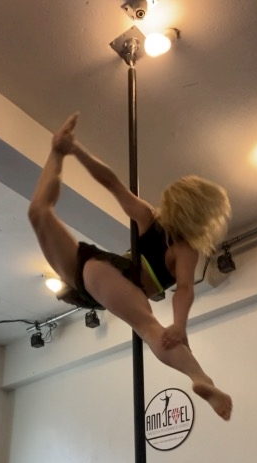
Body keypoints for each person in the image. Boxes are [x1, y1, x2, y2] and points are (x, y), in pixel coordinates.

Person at [28, 112, 233, 421]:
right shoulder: (182, 245)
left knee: (39, 212)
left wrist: (77, 151)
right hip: (101, 278)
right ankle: (201, 378)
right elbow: (184, 290)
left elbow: (112, 183)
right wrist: (179, 325)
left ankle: (201, 378)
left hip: (99, 276)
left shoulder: (154, 221)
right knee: (150, 329)